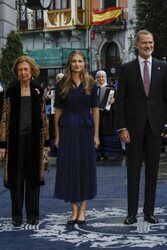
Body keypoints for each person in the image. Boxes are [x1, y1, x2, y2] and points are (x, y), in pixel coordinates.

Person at [117, 30, 167, 225]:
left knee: (152, 172)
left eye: (150, 42)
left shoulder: (164, 67)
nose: (147, 46)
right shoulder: (126, 69)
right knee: (132, 171)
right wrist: (122, 127)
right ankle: (131, 213)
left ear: (153, 44)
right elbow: (120, 102)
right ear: (136, 45)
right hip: (132, 129)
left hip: (155, 128)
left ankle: (149, 212)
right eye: (144, 43)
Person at [0, 55, 50, 226]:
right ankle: (17, 215)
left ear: (32, 71)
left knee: (33, 178)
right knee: (16, 178)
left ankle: (33, 214)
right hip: (15, 142)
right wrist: (2, 144)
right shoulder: (11, 90)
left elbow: (44, 117)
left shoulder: (38, 90)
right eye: (20, 70)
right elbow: (4, 117)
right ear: (16, 72)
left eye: (26, 69)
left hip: (35, 141)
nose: (23, 73)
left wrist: (47, 143)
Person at [54, 50, 100, 225]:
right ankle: (73, 209)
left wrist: (96, 135)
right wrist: (57, 136)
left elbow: (95, 111)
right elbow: (57, 112)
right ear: (69, 63)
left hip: (86, 128)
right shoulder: (61, 85)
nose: (77, 64)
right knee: (69, 168)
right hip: (66, 128)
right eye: (74, 61)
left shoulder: (92, 83)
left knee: (85, 167)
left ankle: (83, 209)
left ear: (84, 63)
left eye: (80, 61)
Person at [95, 70, 116, 161]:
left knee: (107, 134)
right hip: (97, 114)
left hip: (108, 115)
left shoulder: (111, 88)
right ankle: (98, 153)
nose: (101, 78)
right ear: (96, 78)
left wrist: (114, 101)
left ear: (105, 77)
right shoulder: (94, 89)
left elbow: (117, 100)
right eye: (99, 77)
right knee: (97, 133)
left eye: (103, 77)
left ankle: (108, 153)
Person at [45, 73, 64, 158]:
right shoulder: (52, 89)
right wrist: (47, 97)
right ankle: (54, 152)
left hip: (65, 114)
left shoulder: (68, 88)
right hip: (54, 114)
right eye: (58, 78)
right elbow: (44, 100)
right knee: (53, 132)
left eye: (61, 78)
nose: (60, 80)